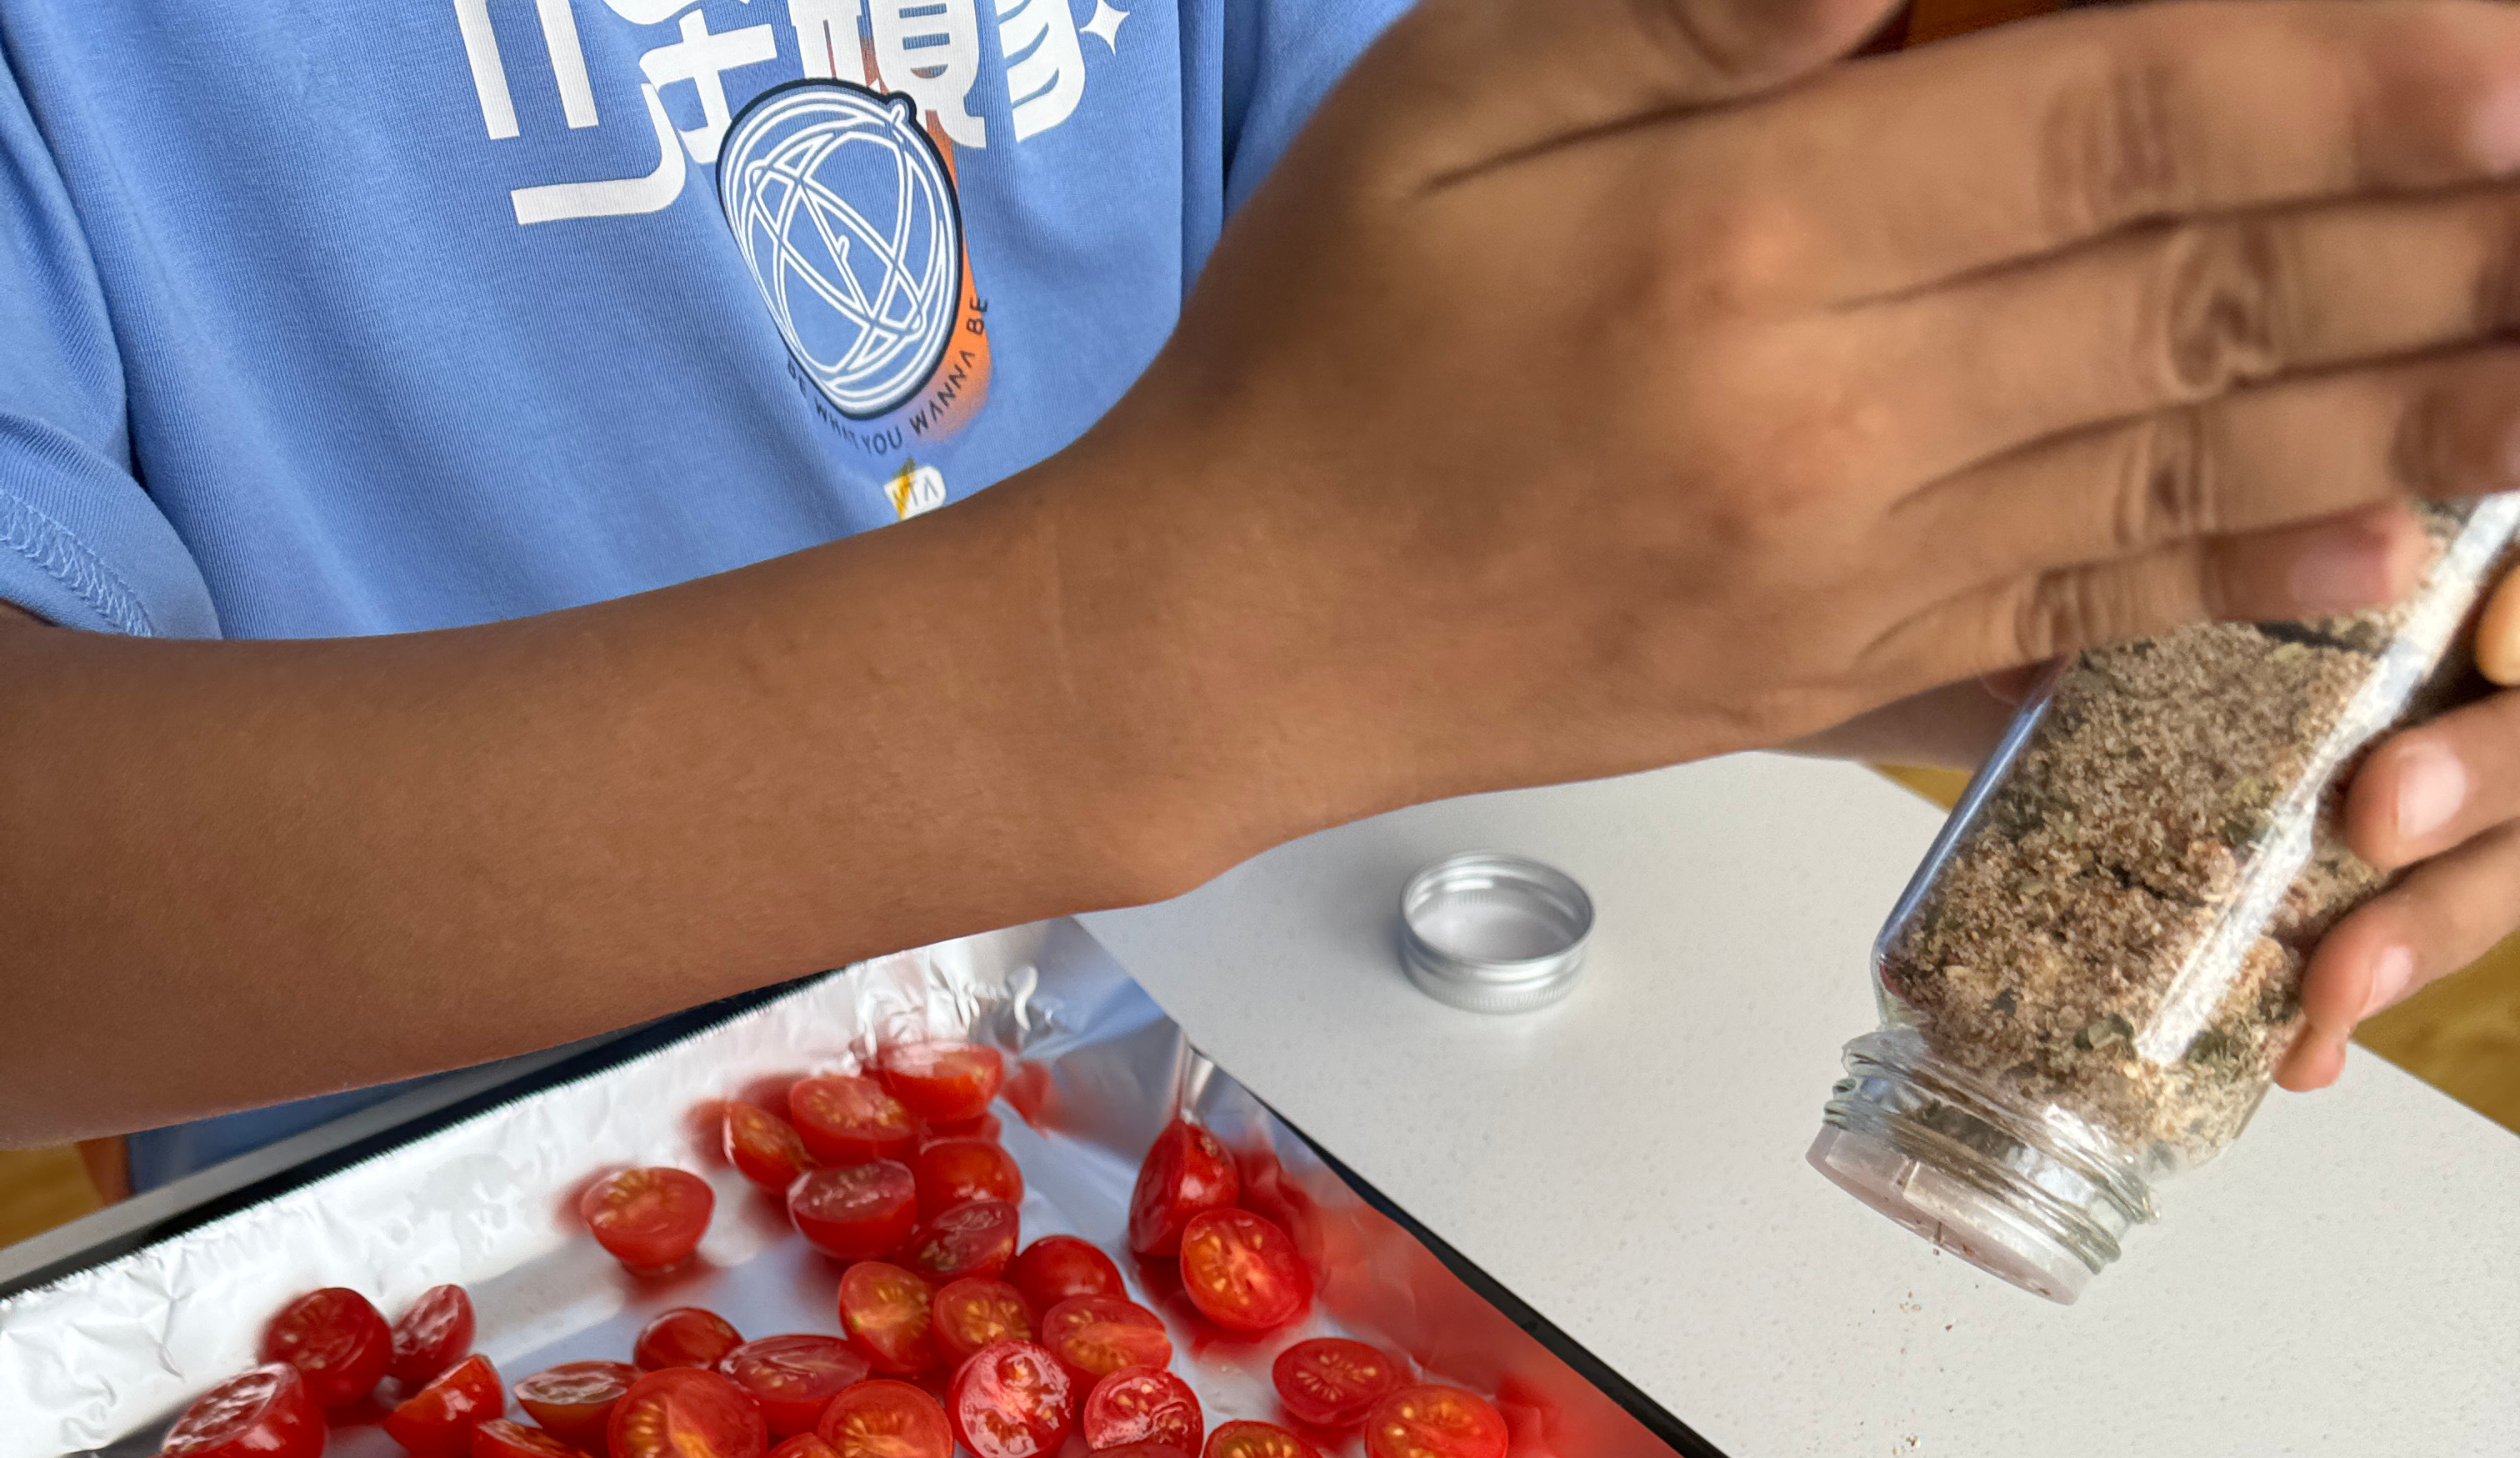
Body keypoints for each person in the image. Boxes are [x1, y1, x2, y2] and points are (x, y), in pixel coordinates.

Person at [5, 0, 2520, 1179]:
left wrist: (2019, 595)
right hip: (399, 1311)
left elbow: (1470, 431)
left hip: (1237, 1116)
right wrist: (1121, 680)